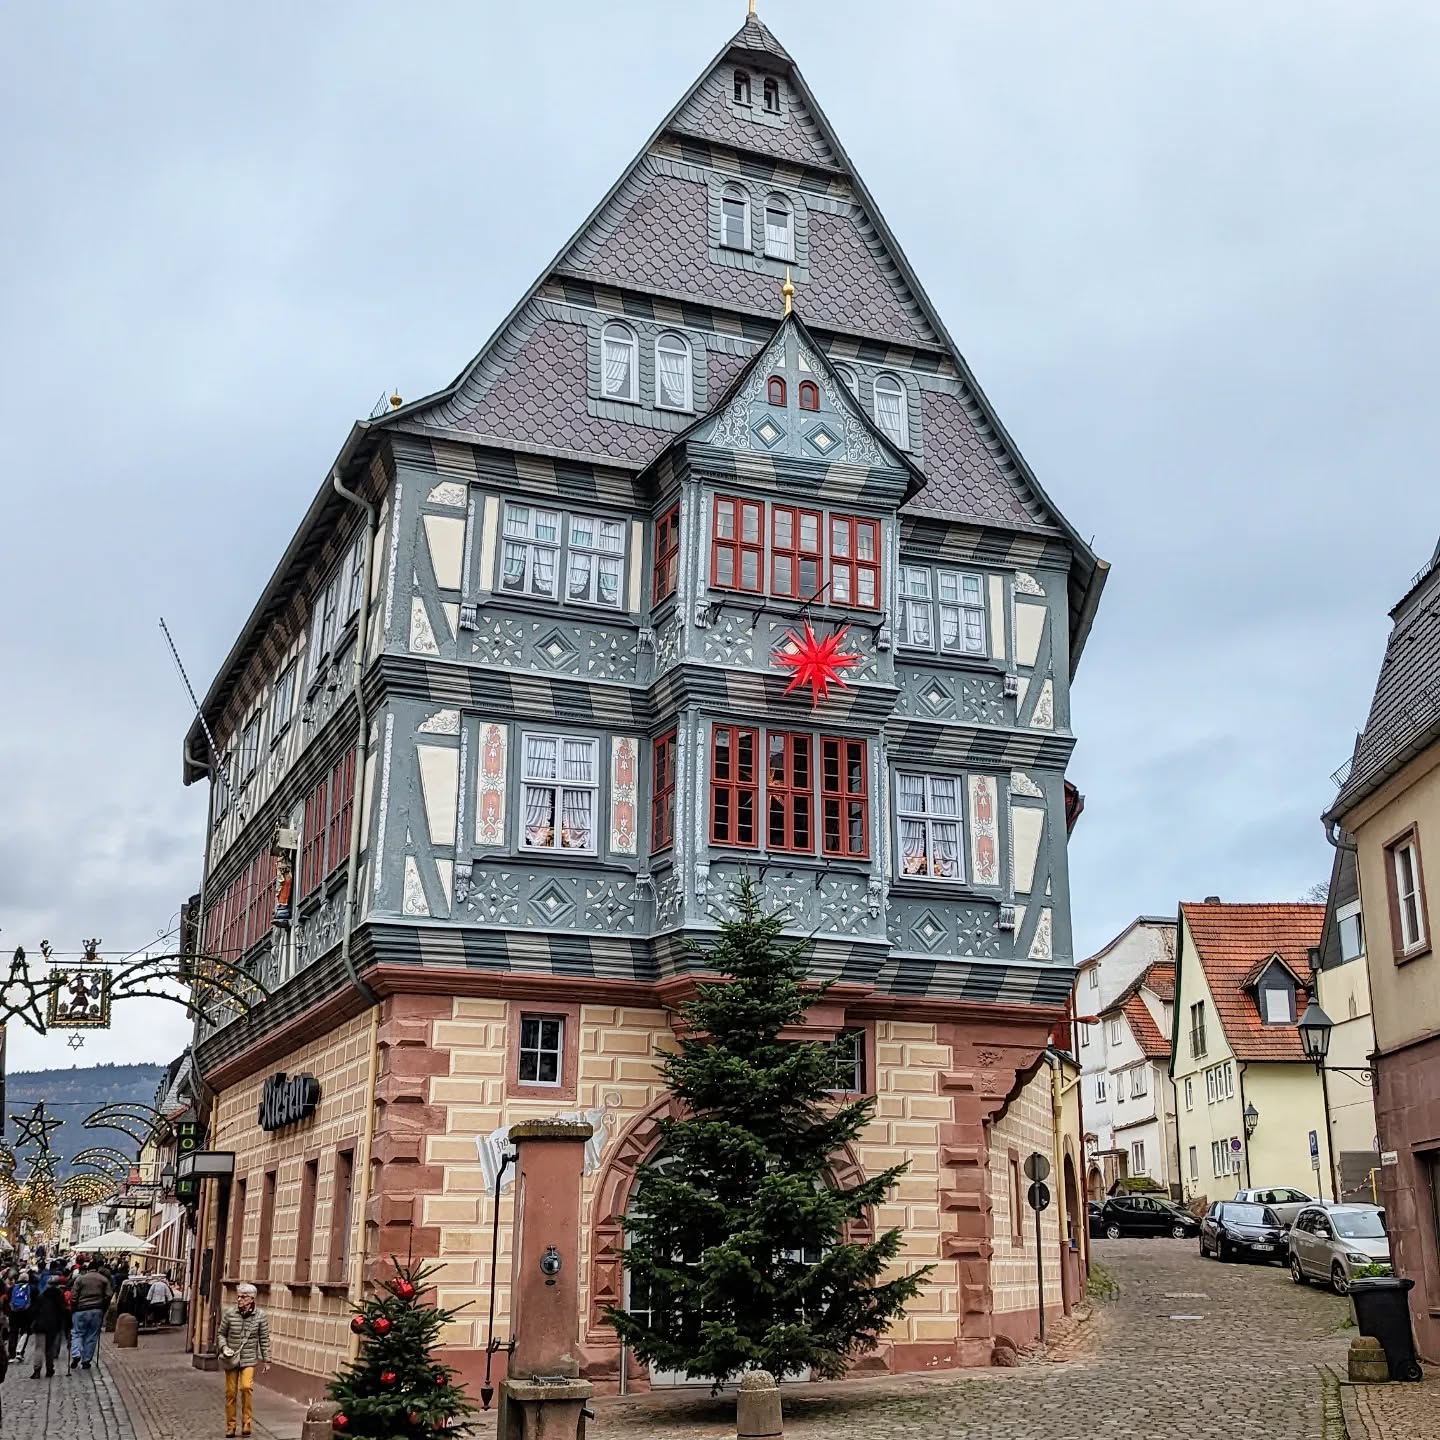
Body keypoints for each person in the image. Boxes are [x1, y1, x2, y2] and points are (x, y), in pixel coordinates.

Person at [218, 1283, 271, 1439]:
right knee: (230, 1393)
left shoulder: (260, 1316)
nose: (239, 1299)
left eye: (243, 1297)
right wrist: (224, 1347)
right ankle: (231, 1426)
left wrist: (267, 1360)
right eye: (239, 1296)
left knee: (247, 1387)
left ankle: (247, 1423)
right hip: (231, 1358)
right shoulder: (229, 1313)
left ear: (251, 1299)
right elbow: (221, 1334)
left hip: (248, 1358)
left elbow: (264, 1339)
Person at [69, 1260, 111, 1370]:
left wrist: (74, 1306)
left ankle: (76, 1353)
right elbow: (108, 1295)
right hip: (96, 1310)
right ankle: (86, 1360)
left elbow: (73, 1295)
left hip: (80, 1309)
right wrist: (103, 1307)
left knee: (77, 1333)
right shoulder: (103, 1279)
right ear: (98, 1268)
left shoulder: (80, 1278)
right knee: (92, 1335)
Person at [28, 1275, 69, 1380]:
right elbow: (64, 1310)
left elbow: (33, 1310)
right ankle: (49, 1368)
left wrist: (31, 1322)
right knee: (50, 1348)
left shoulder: (42, 1296)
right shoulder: (59, 1296)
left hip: (40, 1324)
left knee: (39, 1348)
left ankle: (37, 1370)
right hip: (53, 1325)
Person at [8, 1268, 35, 1361]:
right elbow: (35, 1302)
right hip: (26, 1314)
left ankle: (11, 1354)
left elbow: (8, 1300)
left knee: (13, 1332)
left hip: (14, 1313)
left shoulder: (12, 1288)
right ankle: (20, 1352)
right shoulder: (32, 1288)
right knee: (25, 1332)